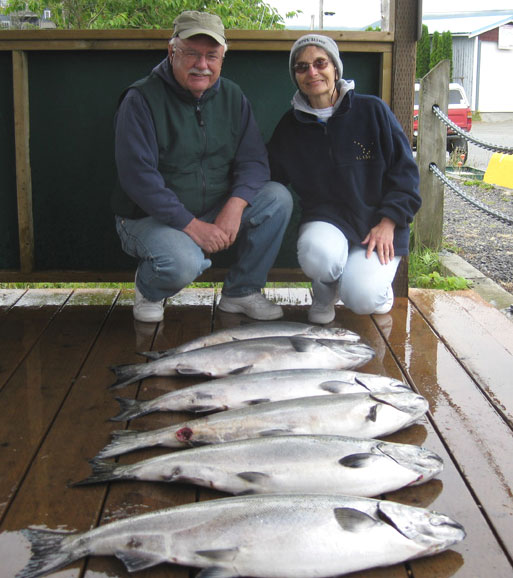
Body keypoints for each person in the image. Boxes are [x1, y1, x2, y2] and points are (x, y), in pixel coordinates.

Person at [112, 11, 293, 323]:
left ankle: (241, 291)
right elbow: (138, 178)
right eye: (191, 54)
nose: (202, 65)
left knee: (277, 198)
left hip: (214, 207)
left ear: (223, 57)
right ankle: (149, 290)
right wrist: (193, 227)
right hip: (147, 218)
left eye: (212, 55)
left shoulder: (233, 95)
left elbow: (254, 161)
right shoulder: (140, 98)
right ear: (172, 52)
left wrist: (235, 206)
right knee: (182, 263)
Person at [268, 34, 421, 324]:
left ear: (335, 69)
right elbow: (268, 171)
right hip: (328, 221)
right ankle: (325, 291)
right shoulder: (291, 125)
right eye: (302, 67)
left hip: (378, 225)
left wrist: (390, 221)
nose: (312, 72)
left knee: (363, 299)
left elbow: (406, 172)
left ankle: (377, 291)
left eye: (320, 63)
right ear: (295, 76)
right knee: (317, 255)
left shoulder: (372, 110)